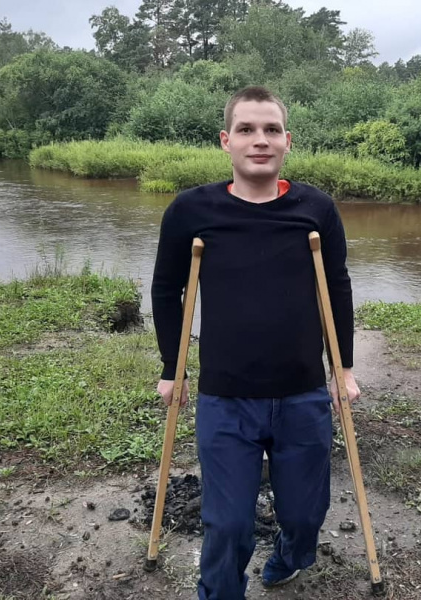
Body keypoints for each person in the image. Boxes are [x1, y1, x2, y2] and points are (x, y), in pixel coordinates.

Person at [151, 86, 360, 600]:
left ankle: (291, 555)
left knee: (305, 514)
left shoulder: (316, 208)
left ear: (287, 140)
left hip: (302, 392)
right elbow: (166, 289)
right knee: (227, 523)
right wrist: (172, 368)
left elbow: (336, 287)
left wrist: (344, 369)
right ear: (227, 140)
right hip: (226, 397)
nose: (259, 140)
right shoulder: (191, 209)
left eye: (271, 130)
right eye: (246, 129)